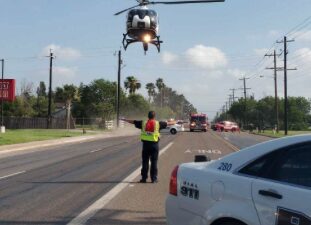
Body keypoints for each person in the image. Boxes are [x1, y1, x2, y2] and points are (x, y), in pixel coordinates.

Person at [121, 111, 175, 183]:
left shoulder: (143, 123)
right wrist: (175, 121)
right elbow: (169, 123)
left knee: (145, 162)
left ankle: (144, 178)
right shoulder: (158, 123)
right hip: (154, 146)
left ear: (148, 116)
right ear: (154, 116)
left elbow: (133, 121)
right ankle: (154, 179)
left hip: (146, 145)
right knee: (154, 162)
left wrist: (124, 120)